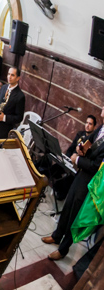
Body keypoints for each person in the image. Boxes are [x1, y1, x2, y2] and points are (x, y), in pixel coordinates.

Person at [43, 105, 104, 260]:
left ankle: (63, 250)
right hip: (81, 175)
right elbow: (90, 143)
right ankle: (56, 236)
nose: (102, 107)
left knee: (75, 214)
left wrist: (78, 159)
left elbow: (97, 166)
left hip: (91, 181)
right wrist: (81, 148)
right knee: (68, 205)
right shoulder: (102, 127)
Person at [0, 67, 25, 140]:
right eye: (8, 74)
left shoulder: (20, 96)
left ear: (18, 78)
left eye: (12, 75)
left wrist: (4, 118)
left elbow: (19, 117)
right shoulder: (3, 87)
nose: (9, 77)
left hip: (3, 131)